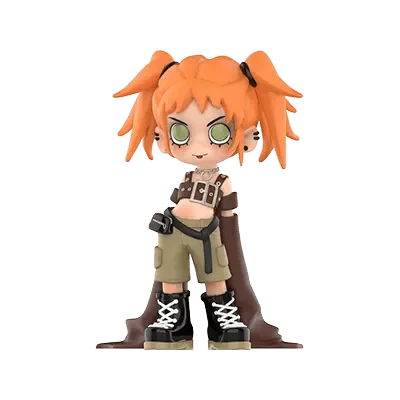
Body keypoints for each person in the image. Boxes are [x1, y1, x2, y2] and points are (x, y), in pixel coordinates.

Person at [97, 50, 304, 350]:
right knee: (169, 276)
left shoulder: (221, 182)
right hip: (172, 233)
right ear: (160, 132)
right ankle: (173, 322)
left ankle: (223, 320)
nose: (198, 148)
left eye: (218, 132)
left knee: (216, 276)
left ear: (247, 134)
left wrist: (228, 235)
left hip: (208, 235)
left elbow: (229, 221)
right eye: (180, 132)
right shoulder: (187, 180)